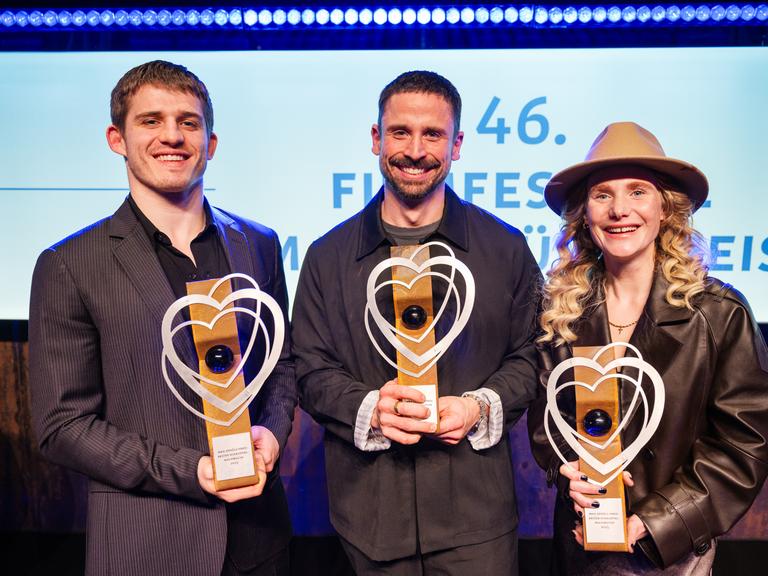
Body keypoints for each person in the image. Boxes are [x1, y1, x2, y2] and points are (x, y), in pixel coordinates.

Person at [29, 60, 296, 576]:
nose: (172, 136)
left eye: (188, 122)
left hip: (260, 538)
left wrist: (272, 432)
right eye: (150, 121)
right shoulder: (70, 264)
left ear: (211, 142)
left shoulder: (259, 244)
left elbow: (282, 364)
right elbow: (63, 426)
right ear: (117, 138)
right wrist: (192, 470)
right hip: (149, 546)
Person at [292, 70, 541, 575]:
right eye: (400, 132)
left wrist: (477, 407)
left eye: (433, 134)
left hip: (478, 522)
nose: (415, 149)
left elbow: (532, 357)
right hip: (371, 519)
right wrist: (372, 409)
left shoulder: (505, 247)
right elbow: (310, 370)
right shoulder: (326, 256)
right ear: (376, 139)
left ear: (457, 145)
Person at [529, 122, 768, 575]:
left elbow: (744, 447)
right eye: (602, 195)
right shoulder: (560, 310)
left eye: (638, 191)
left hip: (674, 552)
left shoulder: (717, 313)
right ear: (584, 214)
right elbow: (548, 424)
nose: (620, 210)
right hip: (582, 544)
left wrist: (654, 521)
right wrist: (570, 471)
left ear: (666, 209)